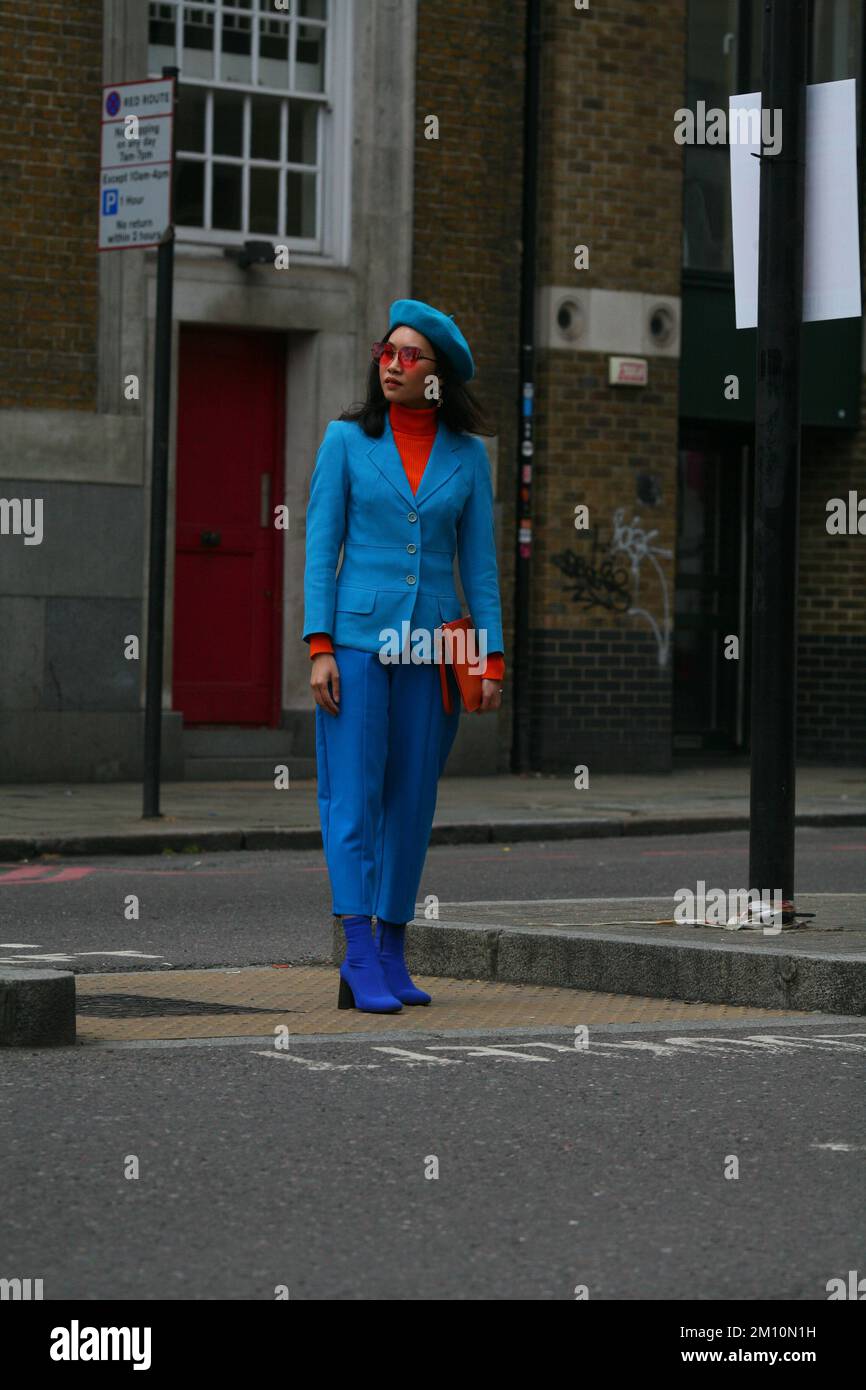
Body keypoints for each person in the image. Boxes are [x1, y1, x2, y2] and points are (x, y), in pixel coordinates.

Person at [303, 298, 506, 1014]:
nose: (392, 365)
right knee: (352, 797)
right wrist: (319, 645)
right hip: (356, 645)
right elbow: (321, 546)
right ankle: (358, 955)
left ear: (438, 375)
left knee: (411, 802)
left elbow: (478, 565)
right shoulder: (345, 442)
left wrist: (493, 657)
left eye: (408, 355)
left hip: (432, 647)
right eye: (385, 353)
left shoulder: (469, 457)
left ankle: (392, 949)